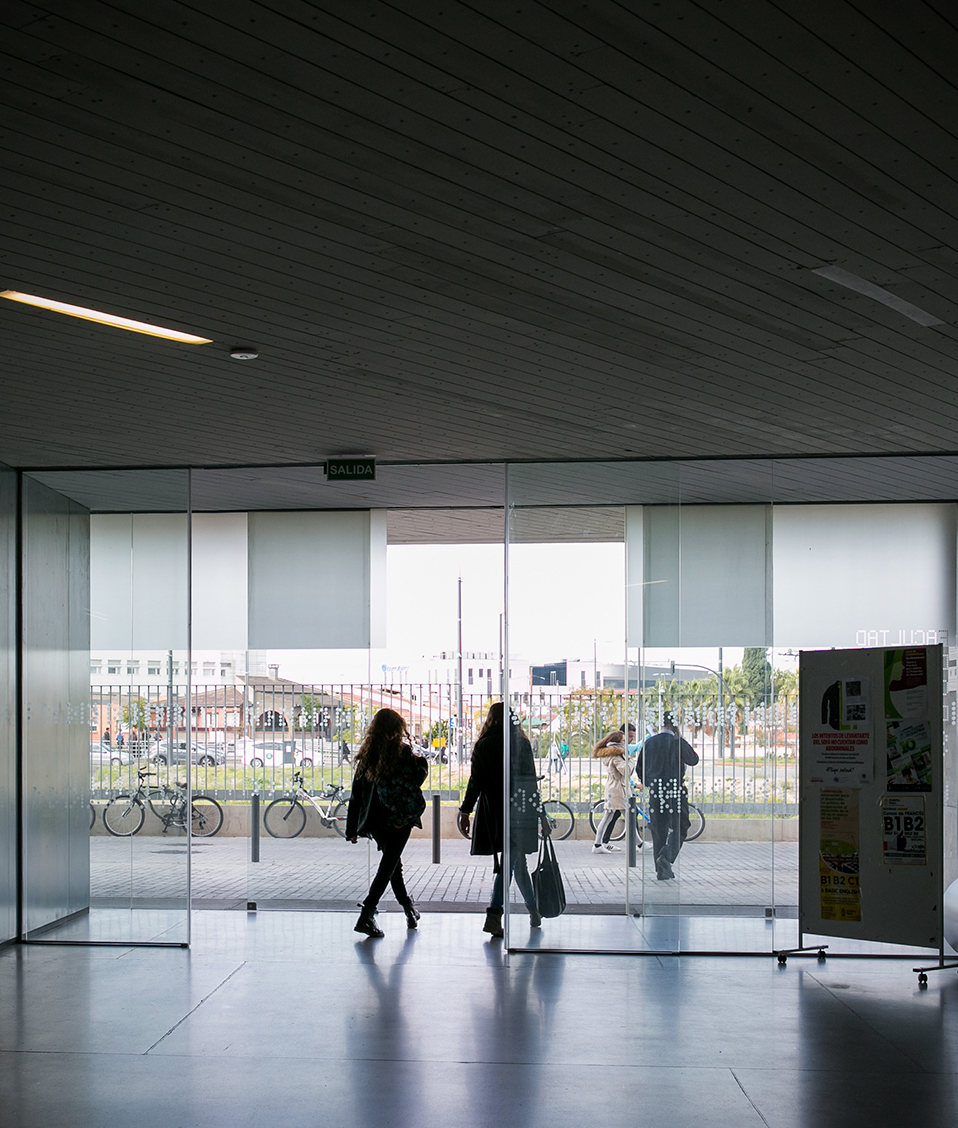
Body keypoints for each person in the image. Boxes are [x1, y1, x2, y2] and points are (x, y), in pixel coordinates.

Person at [457, 703, 543, 937]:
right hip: (519, 810)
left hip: (493, 811)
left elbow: (475, 782)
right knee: (512, 863)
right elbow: (530, 781)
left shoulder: (483, 745)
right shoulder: (521, 743)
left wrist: (465, 811)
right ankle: (494, 913)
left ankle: (533, 910)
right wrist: (540, 814)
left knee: (517, 864)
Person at [346, 709, 428, 937]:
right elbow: (416, 780)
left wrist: (351, 828)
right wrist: (421, 763)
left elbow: (356, 795)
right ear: (395, 730)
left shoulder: (367, 755)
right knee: (389, 866)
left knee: (393, 865)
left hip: (376, 822)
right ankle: (367, 914)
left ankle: (408, 909)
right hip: (400, 819)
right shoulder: (402, 752)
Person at [635, 712, 699, 880]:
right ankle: (667, 855)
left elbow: (639, 767)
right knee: (681, 825)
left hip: (656, 791)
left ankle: (660, 869)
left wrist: (649, 782)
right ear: (675, 726)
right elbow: (693, 760)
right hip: (675, 791)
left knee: (658, 828)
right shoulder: (677, 741)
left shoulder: (650, 742)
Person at [591, 724, 635, 853]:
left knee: (610, 817)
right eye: (623, 740)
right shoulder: (616, 755)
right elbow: (626, 771)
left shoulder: (612, 754)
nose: (625, 742)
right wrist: (631, 760)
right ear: (617, 742)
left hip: (614, 788)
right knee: (624, 816)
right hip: (618, 789)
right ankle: (639, 844)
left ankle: (598, 845)